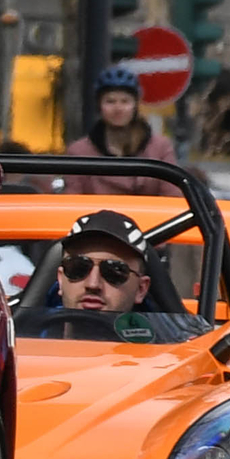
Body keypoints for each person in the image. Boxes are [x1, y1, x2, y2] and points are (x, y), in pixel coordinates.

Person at [62, 67, 180, 196]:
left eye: (125, 101)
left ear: (135, 105)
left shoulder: (160, 148)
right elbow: (73, 199)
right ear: (99, 105)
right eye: (110, 101)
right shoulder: (79, 152)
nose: (118, 108)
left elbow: (172, 196)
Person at [54, 211, 151, 315]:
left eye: (114, 271)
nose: (93, 284)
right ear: (60, 281)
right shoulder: (35, 330)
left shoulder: (165, 331)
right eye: (78, 267)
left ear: (141, 290)